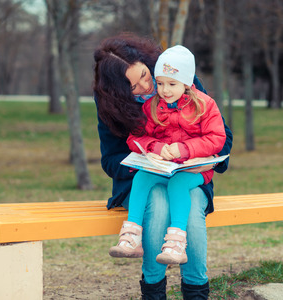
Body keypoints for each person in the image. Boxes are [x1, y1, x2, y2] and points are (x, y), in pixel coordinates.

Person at [93, 33, 233, 299]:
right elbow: (110, 160)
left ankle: (195, 291)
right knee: (158, 201)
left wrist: (195, 158)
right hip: (143, 180)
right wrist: (148, 160)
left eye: (146, 75)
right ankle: (154, 290)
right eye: (133, 86)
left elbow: (222, 138)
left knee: (190, 204)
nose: (149, 87)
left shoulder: (176, 75)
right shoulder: (110, 104)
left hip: (189, 173)